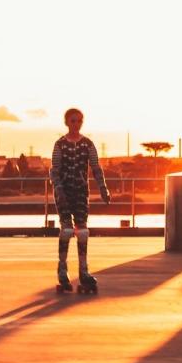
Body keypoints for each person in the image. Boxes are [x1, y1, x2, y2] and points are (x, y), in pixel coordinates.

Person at [50, 108, 116, 294]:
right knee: (67, 230)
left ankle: (83, 271)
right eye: (73, 121)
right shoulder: (60, 144)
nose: (76, 124)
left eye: (79, 120)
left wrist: (103, 188)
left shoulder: (88, 144)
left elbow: (96, 167)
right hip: (63, 191)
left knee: (83, 231)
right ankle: (62, 271)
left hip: (80, 191)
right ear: (66, 122)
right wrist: (58, 188)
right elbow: (54, 169)